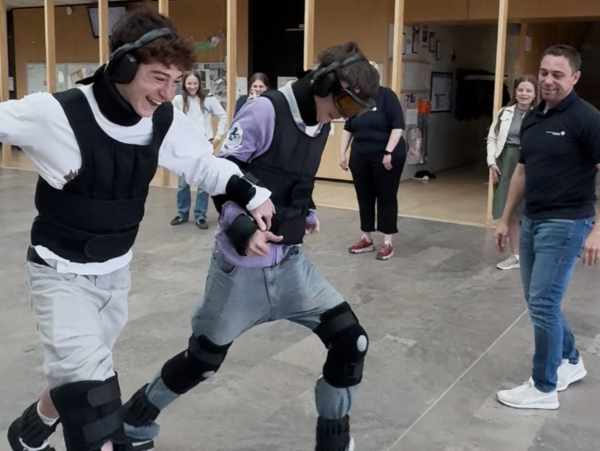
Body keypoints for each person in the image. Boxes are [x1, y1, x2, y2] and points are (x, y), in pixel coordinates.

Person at [3, 9, 274, 451]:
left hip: (114, 275)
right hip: (60, 276)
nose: (167, 92)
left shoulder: (163, 119)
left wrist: (251, 193)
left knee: (78, 373)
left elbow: (202, 165)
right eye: (158, 78)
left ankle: (28, 433)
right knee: (92, 403)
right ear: (123, 67)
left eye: (175, 80)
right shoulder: (56, 113)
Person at [120, 41, 380, 451]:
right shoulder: (264, 111)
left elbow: (293, 176)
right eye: (345, 104)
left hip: (291, 267)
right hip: (239, 272)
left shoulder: (320, 121)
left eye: (356, 111)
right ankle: (133, 423)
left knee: (352, 343)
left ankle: (334, 444)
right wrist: (243, 231)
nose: (345, 116)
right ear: (323, 82)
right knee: (202, 361)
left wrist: (306, 210)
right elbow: (223, 176)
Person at [495, 44, 600, 410]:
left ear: (575, 77)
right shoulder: (533, 117)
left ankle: (543, 387)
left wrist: (598, 231)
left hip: (567, 222)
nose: (548, 80)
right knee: (539, 301)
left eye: (558, 74)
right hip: (533, 220)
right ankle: (570, 360)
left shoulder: (588, 118)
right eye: (543, 73)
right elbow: (521, 172)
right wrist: (505, 219)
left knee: (543, 302)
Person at [340, 78, 406, 261]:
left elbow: (398, 127)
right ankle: (366, 239)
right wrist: (342, 153)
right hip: (360, 154)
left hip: (386, 154)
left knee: (386, 197)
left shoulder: (387, 96)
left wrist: (388, 152)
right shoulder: (354, 98)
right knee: (364, 196)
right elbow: (348, 128)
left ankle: (387, 242)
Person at [487, 75, 538, 270]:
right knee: (510, 210)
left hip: (530, 163)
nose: (524, 94)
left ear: (535, 94)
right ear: (515, 92)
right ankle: (515, 254)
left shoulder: (540, 114)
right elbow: (492, 138)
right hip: (506, 161)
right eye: (521, 90)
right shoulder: (504, 112)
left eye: (528, 90)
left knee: (529, 208)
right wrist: (492, 162)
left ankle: (531, 254)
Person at [170, 70, 228, 229]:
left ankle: (200, 216)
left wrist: (217, 138)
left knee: (202, 185)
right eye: (189, 83)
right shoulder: (177, 100)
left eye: (195, 83)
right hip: (184, 147)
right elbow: (172, 120)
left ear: (199, 84)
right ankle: (182, 214)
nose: (192, 86)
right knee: (183, 184)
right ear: (184, 84)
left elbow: (223, 116)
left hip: (204, 146)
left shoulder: (208, 99)